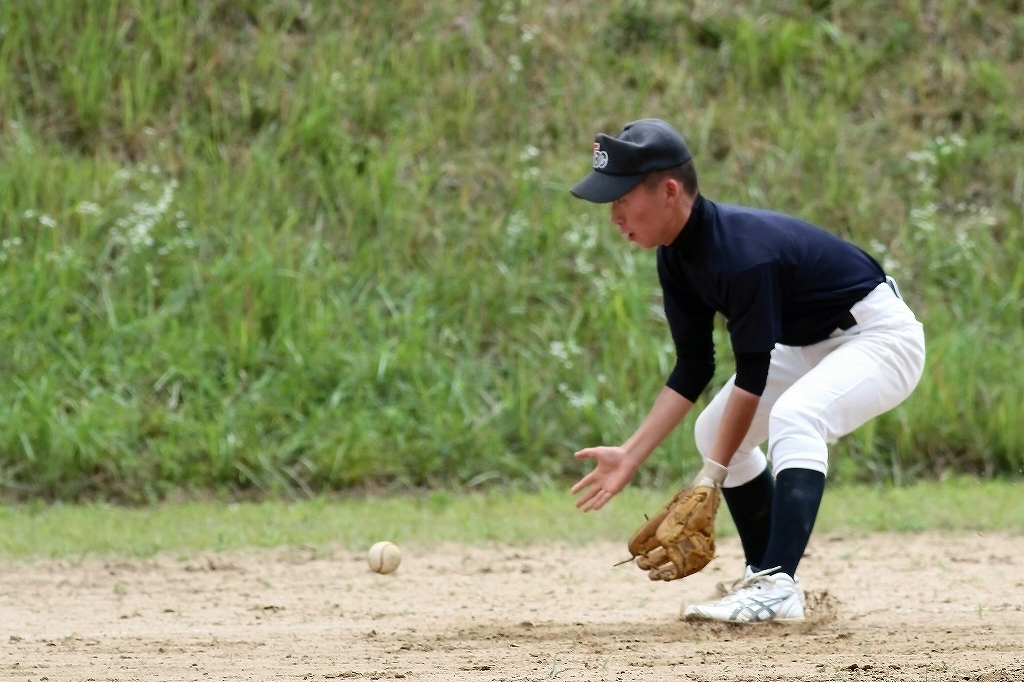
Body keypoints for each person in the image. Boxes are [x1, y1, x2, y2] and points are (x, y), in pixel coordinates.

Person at [567, 118, 925, 623]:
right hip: (810, 343)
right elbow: (694, 366)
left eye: (623, 198)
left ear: (669, 191)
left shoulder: (742, 256)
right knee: (714, 430)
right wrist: (630, 454)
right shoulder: (676, 257)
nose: (615, 214)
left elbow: (753, 378)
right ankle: (767, 583)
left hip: (880, 338)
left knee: (796, 416)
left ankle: (776, 582)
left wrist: (711, 477)